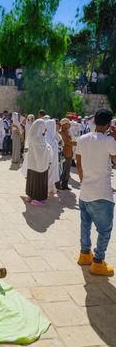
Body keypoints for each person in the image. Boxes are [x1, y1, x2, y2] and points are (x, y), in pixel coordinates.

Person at [76, 109, 116, 276]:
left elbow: (78, 163)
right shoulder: (109, 141)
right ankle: (98, 262)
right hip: (102, 192)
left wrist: (83, 180)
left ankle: (85, 254)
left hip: (85, 191)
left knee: (85, 224)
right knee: (104, 230)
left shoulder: (83, 139)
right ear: (108, 124)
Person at [26, 119, 53, 206]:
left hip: (32, 164)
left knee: (32, 179)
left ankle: (30, 196)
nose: (45, 129)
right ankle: (37, 199)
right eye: (44, 127)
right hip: (39, 165)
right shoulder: (39, 138)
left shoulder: (31, 136)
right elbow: (45, 150)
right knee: (38, 181)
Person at [57, 118, 77, 190]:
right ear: (64, 124)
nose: (70, 125)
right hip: (65, 154)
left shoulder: (67, 132)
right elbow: (67, 142)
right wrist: (78, 143)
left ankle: (65, 185)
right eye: (68, 123)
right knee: (63, 170)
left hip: (69, 153)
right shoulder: (61, 132)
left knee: (67, 170)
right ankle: (60, 185)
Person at [45, 119, 60, 194]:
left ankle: (52, 187)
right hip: (51, 160)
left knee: (51, 174)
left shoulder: (46, 135)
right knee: (50, 174)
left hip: (50, 159)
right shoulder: (50, 137)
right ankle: (47, 188)